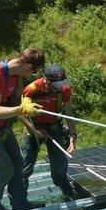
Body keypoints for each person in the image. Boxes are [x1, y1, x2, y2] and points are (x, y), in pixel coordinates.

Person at [0, 49, 46, 210]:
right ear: (28, 66)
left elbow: (14, 104)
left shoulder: (14, 76)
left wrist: (26, 112)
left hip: (2, 126)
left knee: (18, 163)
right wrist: (21, 108)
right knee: (6, 168)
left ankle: (20, 203)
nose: (31, 75)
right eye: (33, 71)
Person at [19, 63, 78, 200]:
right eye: (56, 84)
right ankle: (20, 196)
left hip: (53, 127)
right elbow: (20, 113)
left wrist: (72, 135)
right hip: (33, 128)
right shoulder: (31, 89)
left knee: (60, 162)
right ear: (46, 80)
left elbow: (68, 112)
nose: (60, 87)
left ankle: (64, 187)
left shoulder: (65, 90)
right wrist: (34, 130)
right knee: (26, 163)